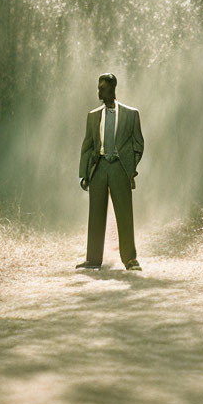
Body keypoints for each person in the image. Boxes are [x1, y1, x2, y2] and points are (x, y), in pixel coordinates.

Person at [76, 72, 144, 271]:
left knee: (124, 214)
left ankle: (130, 260)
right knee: (95, 215)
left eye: (102, 88)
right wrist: (84, 174)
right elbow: (87, 146)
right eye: (98, 87)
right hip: (98, 168)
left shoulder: (131, 114)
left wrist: (130, 169)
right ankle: (93, 260)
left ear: (113, 88)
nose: (99, 91)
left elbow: (138, 144)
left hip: (119, 168)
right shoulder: (93, 116)